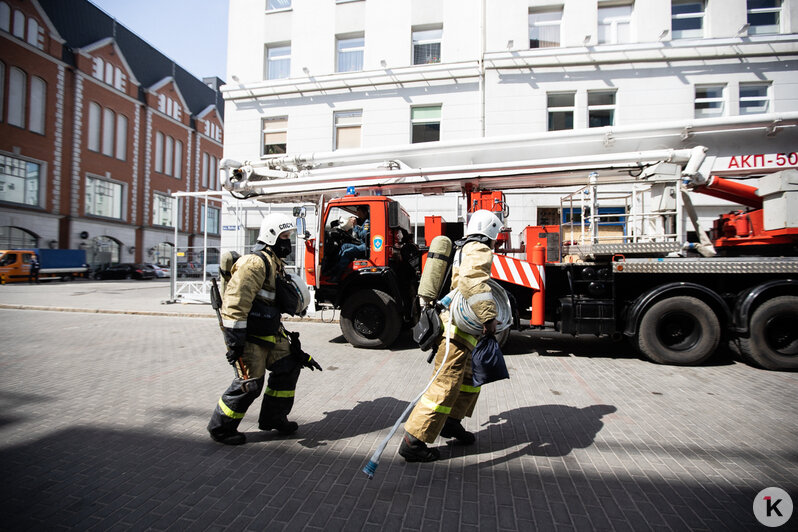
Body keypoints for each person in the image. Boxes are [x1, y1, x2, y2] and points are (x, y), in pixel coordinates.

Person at [399, 209, 504, 462]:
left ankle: (450, 423)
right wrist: (489, 318)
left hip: (461, 331)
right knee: (444, 385)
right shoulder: (479, 249)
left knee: (468, 380)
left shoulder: (463, 247)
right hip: (456, 331)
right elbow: (472, 281)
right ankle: (413, 441)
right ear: (492, 233)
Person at [207, 212, 319, 445]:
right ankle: (221, 428)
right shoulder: (254, 263)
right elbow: (235, 304)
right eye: (284, 236)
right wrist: (235, 341)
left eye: (288, 235)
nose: (287, 241)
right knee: (250, 384)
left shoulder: (275, 262)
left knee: (288, 366)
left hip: (269, 330)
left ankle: (274, 417)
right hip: (248, 336)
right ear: (272, 236)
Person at [331, 205, 369, 278]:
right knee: (344, 246)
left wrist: (355, 225)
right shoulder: (363, 220)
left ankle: (337, 275)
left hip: (366, 246)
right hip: (363, 244)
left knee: (347, 252)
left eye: (359, 212)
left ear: (364, 212)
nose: (357, 214)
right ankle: (336, 267)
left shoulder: (367, 222)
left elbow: (362, 235)